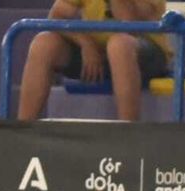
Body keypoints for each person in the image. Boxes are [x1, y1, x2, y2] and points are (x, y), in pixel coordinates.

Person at [17, 0, 170, 123]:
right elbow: (56, 16)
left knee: (119, 45)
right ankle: (23, 132)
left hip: (145, 51)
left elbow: (130, 25)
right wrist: (86, 44)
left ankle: (127, 134)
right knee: (43, 43)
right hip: (99, 53)